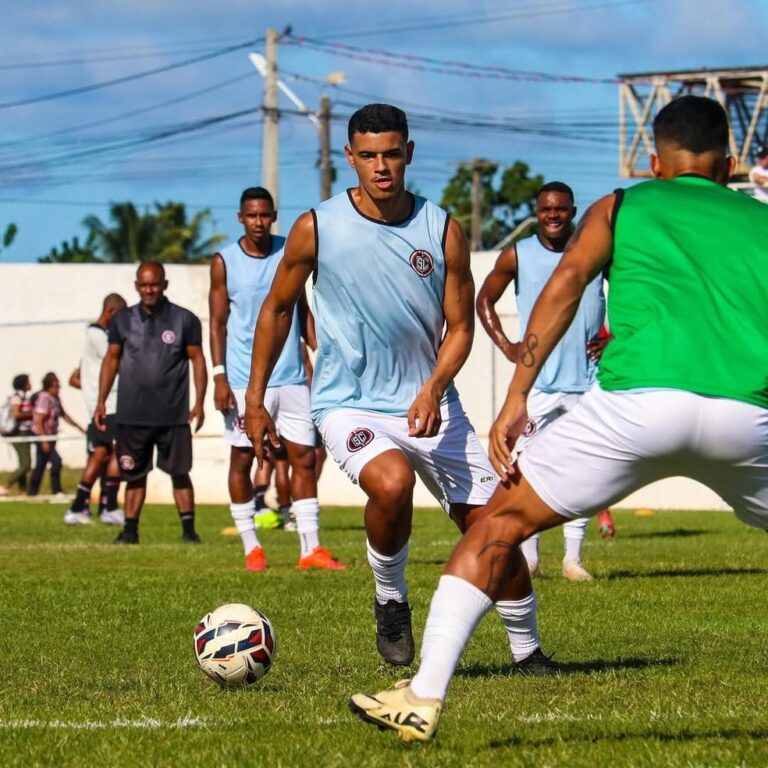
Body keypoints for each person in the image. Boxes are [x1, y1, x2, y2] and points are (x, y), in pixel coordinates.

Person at [349, 95, 768, 742]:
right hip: (747, 414)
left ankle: (422, 697)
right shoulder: (760, 220)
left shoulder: (622, 205)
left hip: (636, 408)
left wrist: (517, 396)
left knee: (496, 525)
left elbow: (567, 283)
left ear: (654, 161)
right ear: (732, 162)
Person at [245, 104, 554, 675]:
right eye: (368, 156)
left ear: (408, 153)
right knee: (392, 481)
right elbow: (278, 308)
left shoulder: (442, 230)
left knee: (496, 527)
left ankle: (528, 653)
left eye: (391, 153)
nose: (381, 166)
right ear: (350, 158)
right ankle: (391, 597)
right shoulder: (318, 227)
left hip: (432, 405)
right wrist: (254, 398)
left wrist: (435, 387)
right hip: (348, 402)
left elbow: (461, 329)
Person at [476, 181, 615, 582]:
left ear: (573, 211)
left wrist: (615, 335)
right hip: (537, 387)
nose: (553, 215)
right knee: (523, 468)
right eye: (545, 210)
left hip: (587, 383)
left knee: (588, 469)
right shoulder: (518, 255)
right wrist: (507, 345)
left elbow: (629, 293)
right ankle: (530, 558)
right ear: (537, 212)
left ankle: (573, 560)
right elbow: (484, 298)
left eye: (560, 209)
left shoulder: (592, 252)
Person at [208, 186, 344, 571]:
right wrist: (219, 376)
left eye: (265, 215)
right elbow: (217, 324)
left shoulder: (290, 250)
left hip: (293, 377)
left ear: (273, 216)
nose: (258, 222)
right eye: (251, 215)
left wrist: (325, 354)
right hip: (242, 379)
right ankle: (252, 547)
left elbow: (302, 312)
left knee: (304, 457)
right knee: (243, 458)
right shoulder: (224, 261)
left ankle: (310, 550)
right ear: (240, 218)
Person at [95, 262, 207, 545]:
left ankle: (189, 531)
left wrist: (200, 401)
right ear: (136, 286)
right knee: (134, 474)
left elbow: (198, 360)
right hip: (132, 413)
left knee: (180, 473)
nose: (149, 290)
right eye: (144, 285)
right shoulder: (122, 321)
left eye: (154, 284)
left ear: (164, 285)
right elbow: (111, 360)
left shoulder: (185, 320)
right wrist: (101, 401)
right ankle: (130, 530)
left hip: (173, 414)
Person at [64, 293, 127, 526]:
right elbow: (118, 358)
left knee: (108, 453)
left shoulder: (95, 337)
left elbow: (76, 377)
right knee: (105, 453)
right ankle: (80, 506)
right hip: (108, 405)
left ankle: (104, 507)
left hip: (106, 404)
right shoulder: (98, 336)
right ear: (110, 312)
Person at [28, 372, 86, 497]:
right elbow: (38, 420)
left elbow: (64, 415)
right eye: (56, 386)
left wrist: (80, 428)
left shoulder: (55, 399)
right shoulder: (44, 398)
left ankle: (33, 491)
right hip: (43, 436)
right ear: (49, 386)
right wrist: (44, 440)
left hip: (51, 436)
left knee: (41, 464)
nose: (58, 388)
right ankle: (55, 490)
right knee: (55, 461)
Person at [4, 374, 35, 494]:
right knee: (26, 464)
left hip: (24, 433)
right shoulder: (17, 398)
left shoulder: (23, 397)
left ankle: (23, 491)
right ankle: (6, 485)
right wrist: (32, 414)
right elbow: (16, 414)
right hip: (19, 433)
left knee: (22, 463)